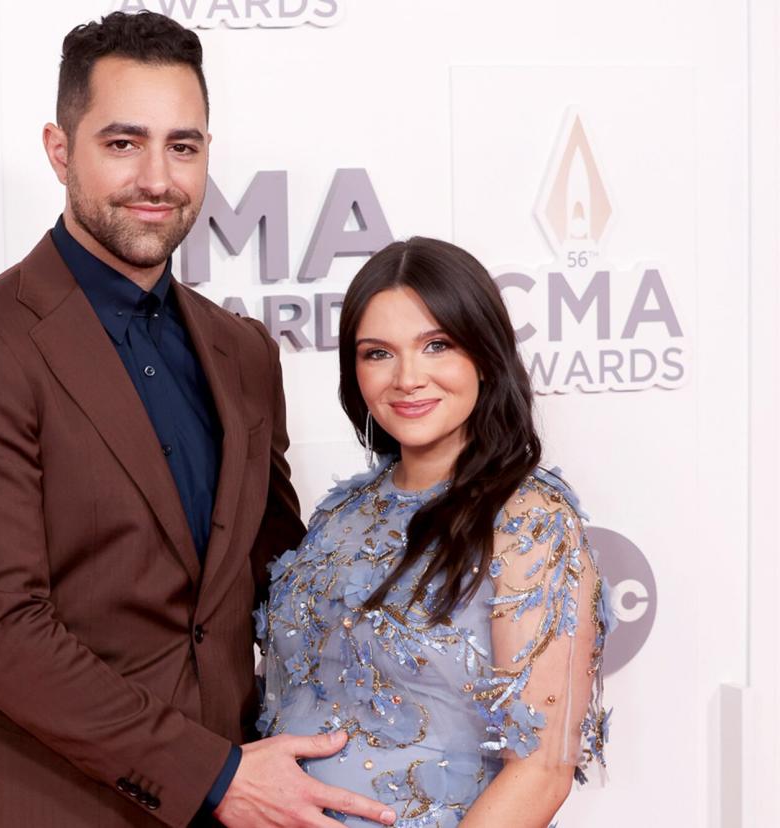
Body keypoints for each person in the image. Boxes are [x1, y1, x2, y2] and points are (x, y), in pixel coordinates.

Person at [0, 11, 397, 827]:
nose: (158, 179)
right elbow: (0, 633)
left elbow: (275, 575)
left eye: (184, 146)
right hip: (43, 801)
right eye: (123, 143)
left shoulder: (241, 350)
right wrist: (213, 776)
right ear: (61, 150)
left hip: (231, 797)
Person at [255, 237, 614, 827]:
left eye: (436, 345)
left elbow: (542, 768)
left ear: (484, 354)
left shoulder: (530, 522)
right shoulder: (342, 511)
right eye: (378, 353)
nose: (407, 378)